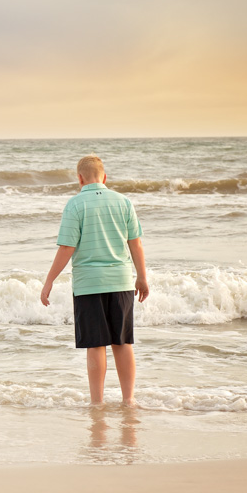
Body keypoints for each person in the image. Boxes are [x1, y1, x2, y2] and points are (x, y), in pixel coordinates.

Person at [40, 155, 148, 406]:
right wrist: (141, 276)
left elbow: (66, 247)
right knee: (122, 342)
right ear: (104, 177)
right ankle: (128, 400)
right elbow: (136, 243)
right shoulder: (124, 202)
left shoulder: (75, 205)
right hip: (121, 281)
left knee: (96, 345)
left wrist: (49, 281)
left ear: (79, 178)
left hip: (89, 284)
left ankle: (97, 403)